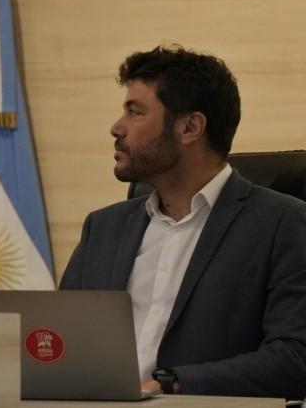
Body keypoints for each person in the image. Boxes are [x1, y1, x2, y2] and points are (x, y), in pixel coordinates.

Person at [59, 44, 306, 400]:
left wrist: (169, 383)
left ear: (190, 127)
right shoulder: (103, 228)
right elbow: (62, 345)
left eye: (134, 112)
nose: (116, 128)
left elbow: (294, 359)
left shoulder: (282, 224)